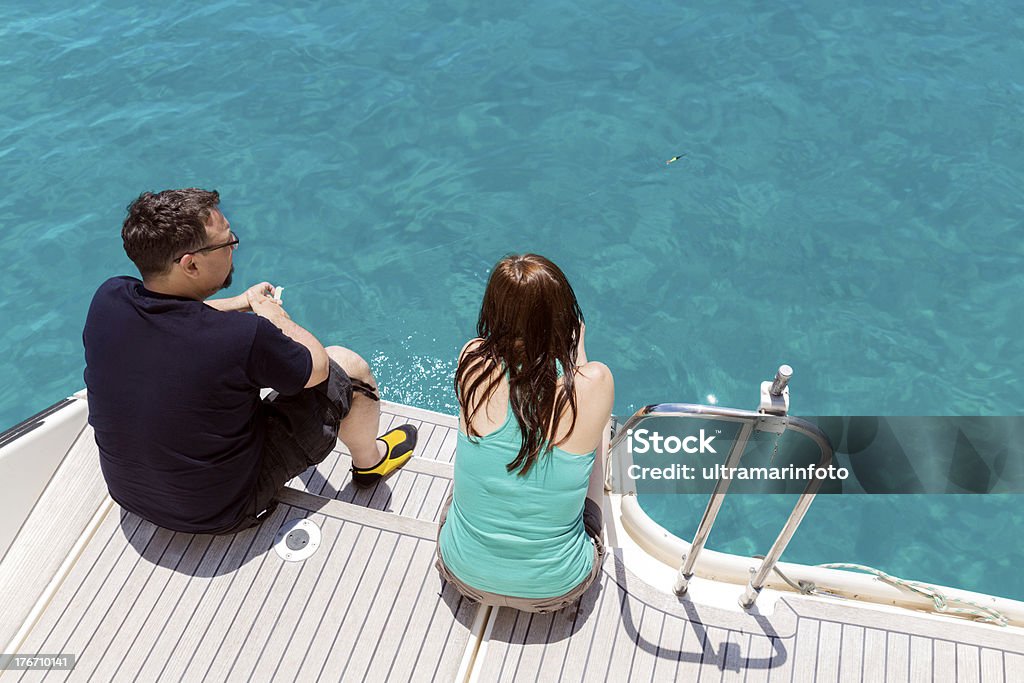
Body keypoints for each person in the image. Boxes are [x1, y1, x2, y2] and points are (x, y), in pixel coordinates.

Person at [83, 188, 416, 534]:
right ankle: (371, 463)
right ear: (191, 264)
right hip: (225, 510)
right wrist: (275, 317)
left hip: (131, 495)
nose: (234, 248)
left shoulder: (109, 298)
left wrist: (243, 301)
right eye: (227, 242)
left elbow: (177, 314)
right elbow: (316, 368)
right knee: (347, 365)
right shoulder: (242, 338)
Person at [436, 254, 614, 612]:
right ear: (565, 317)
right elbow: (578, 391)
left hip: (459, 572)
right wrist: (577, 355)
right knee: (598, 430)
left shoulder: (472, 359)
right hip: (556, 589)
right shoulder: (595, 381)